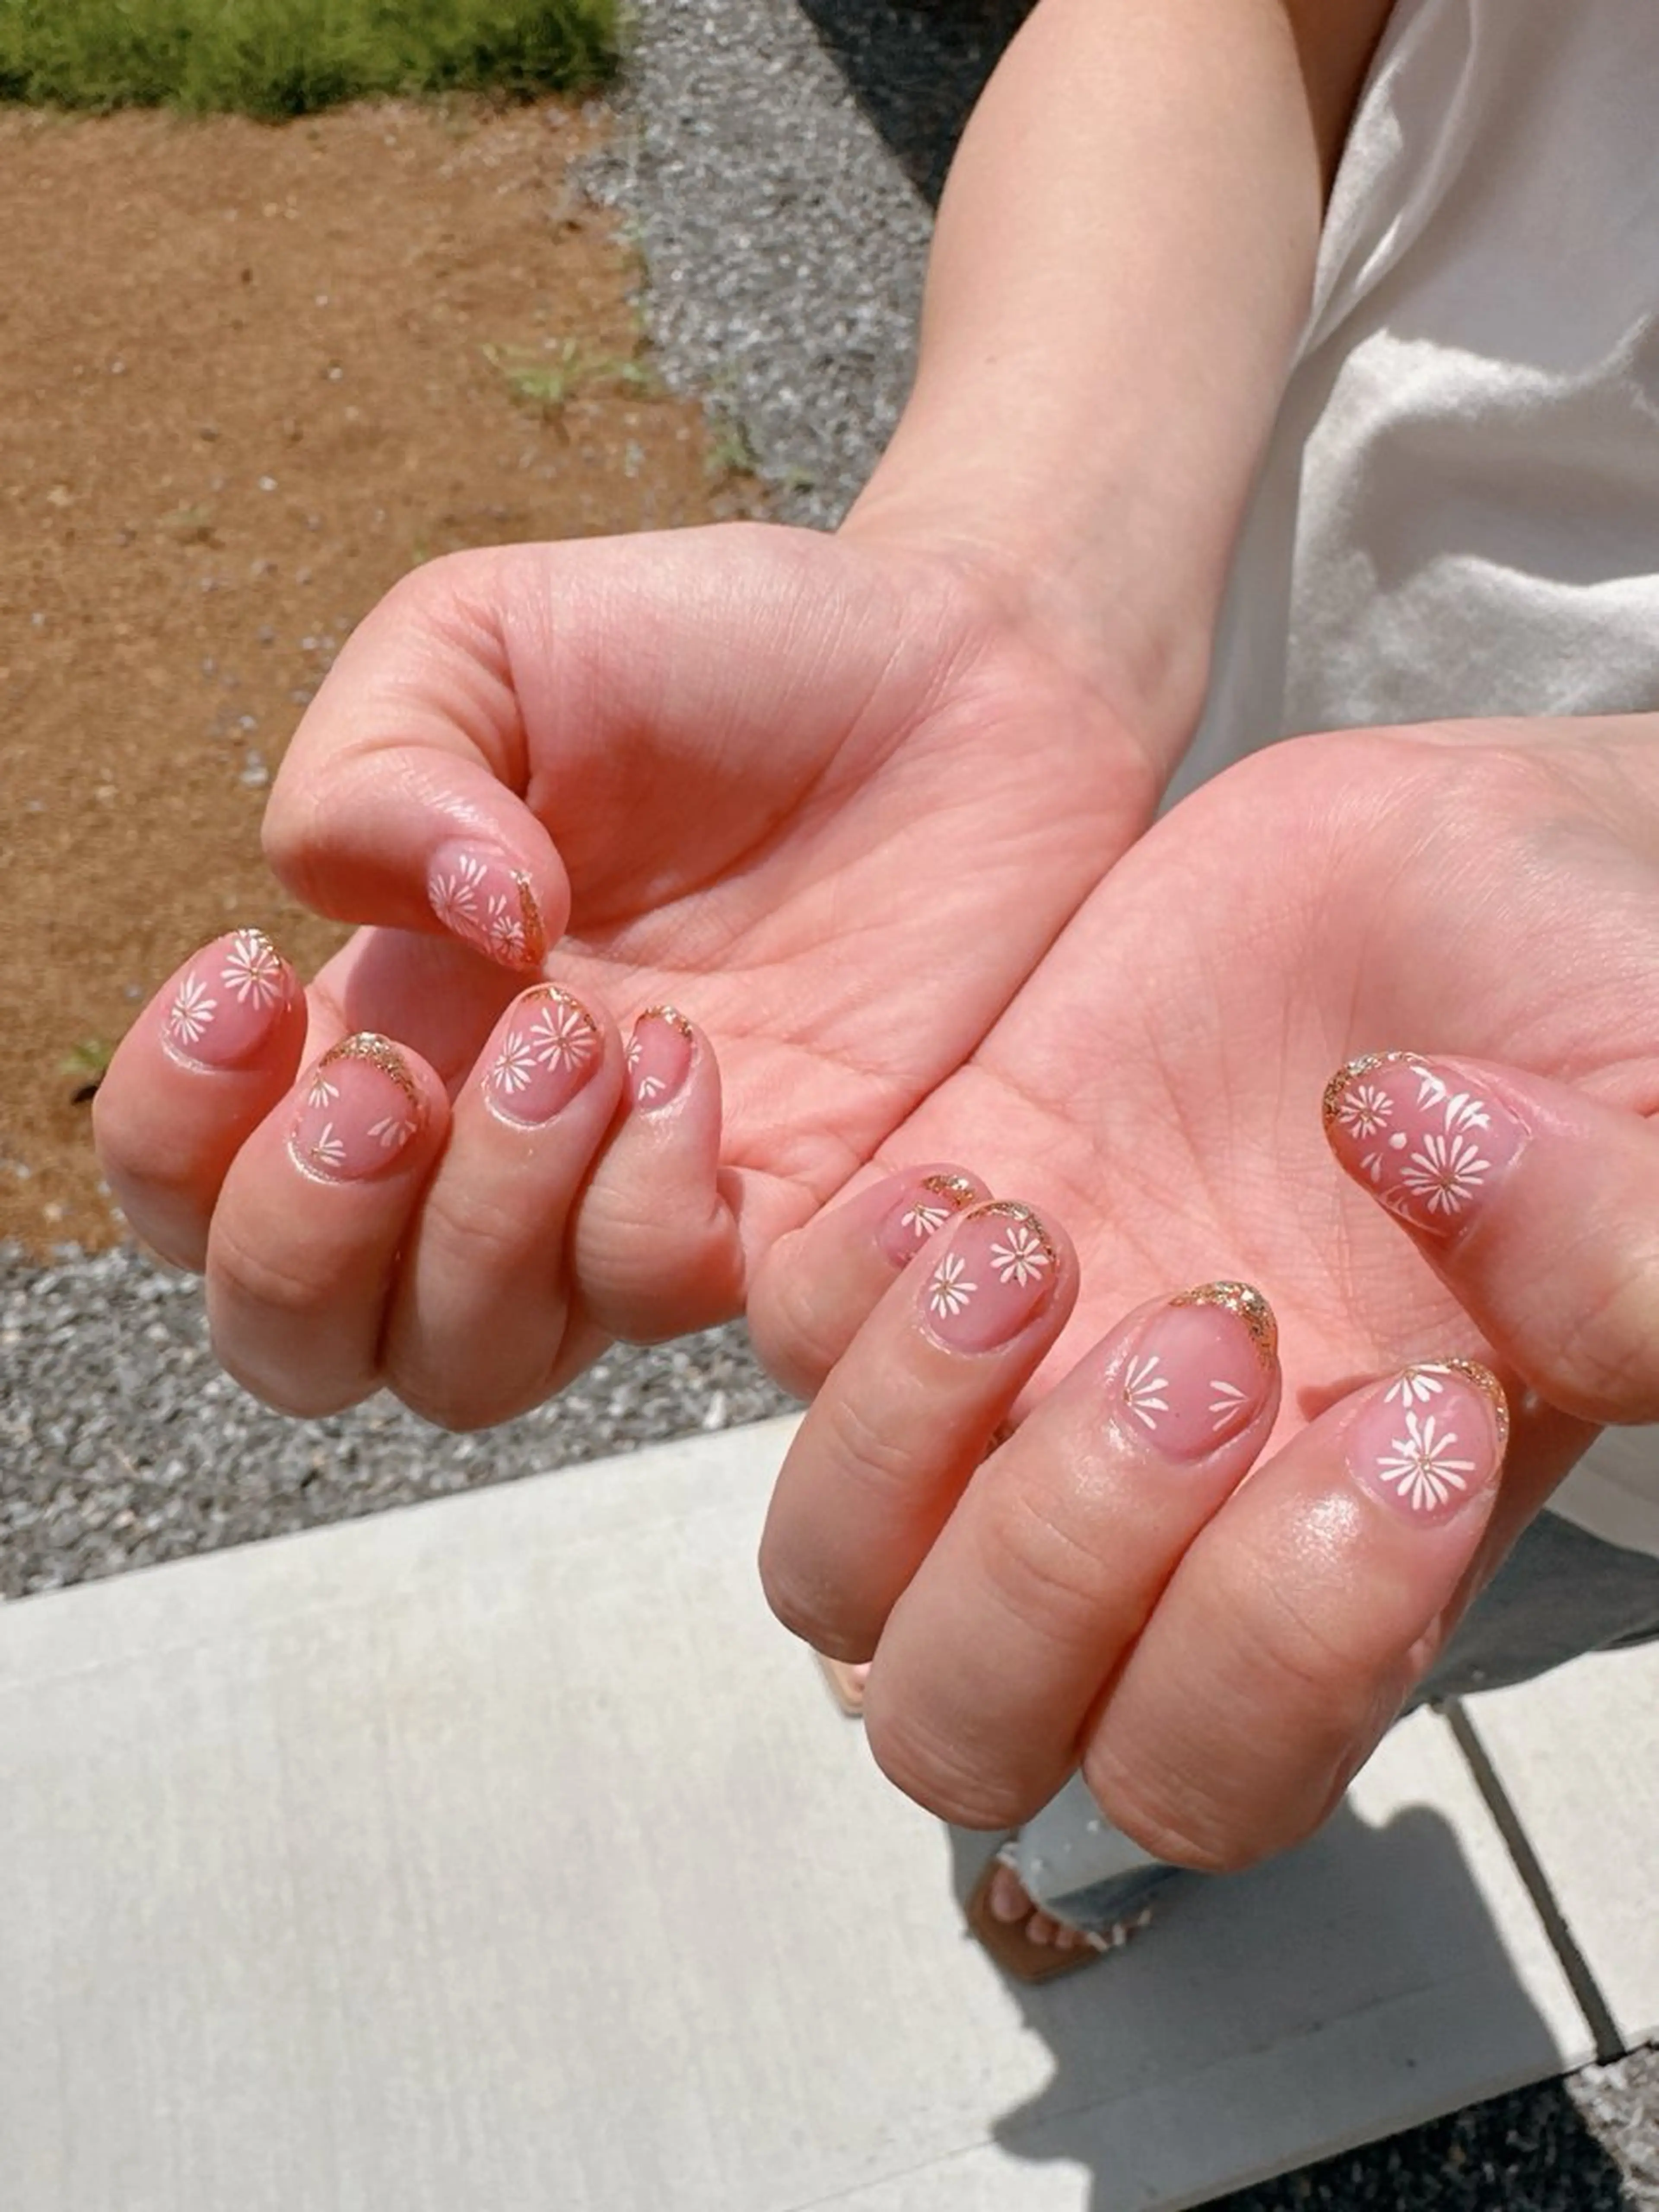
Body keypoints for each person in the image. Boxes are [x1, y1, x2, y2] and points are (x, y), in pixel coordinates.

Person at [94, 0, 1659, 1975]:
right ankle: (1092, 1835)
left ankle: (1099, 1849)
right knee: (1047, 1575)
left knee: (1266, 1635)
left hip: (1543, 1384)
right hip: (1151, 932)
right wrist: (1015, 595)